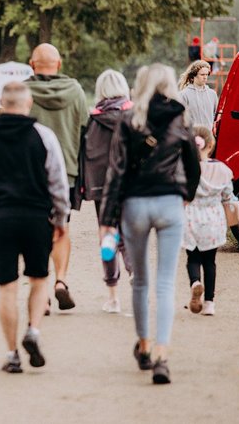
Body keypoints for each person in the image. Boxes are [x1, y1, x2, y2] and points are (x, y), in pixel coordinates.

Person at [100, 64, 201, 385]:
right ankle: (161, 355)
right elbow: (193, 164)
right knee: (166, 282)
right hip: (169, 202)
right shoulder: (180, 116)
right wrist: (186, 194)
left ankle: (143, 345)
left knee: (141, 280)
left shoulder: (129, 120)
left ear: (140, 85)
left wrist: (107, 219)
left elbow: (115, 171)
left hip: (135, 205)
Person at [0, 82, 69, 373]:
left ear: (1, 103)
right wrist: (60, 219)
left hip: (0, 218)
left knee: (7, 287)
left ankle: (12, 354)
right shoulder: (43, 136)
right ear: (29, 102)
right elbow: (58, 183)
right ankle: (33, 330)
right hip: (36, 219)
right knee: (38, 280)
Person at [24, 43, 88, 311]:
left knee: (35, 231)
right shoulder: (75, 91)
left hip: (31, 174)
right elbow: (86, 130)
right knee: (61, 228)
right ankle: (60, 281)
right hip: (67, 173)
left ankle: (42, 294)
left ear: (32, 64)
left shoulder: (24, 91)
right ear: (59, 64)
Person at [78, 69, 134, 314]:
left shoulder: (93, 120)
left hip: (102, 186)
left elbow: (86, 155)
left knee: (108, 235)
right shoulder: (135, 116)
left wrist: (86, 186)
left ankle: (113, 297)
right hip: (132, 184)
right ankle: (135, 271)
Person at [184, 125, 237, 317]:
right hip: (213, 219)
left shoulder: (188, 169)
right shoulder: (222, 170)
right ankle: (209, 304)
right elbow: (228, 196)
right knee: (210, 262)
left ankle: (195, 282)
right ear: (211, 144)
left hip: (192, 218)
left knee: (193, 258)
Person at [178, 60, 218, 129]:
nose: (205, 77)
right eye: (202, 74)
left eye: (206, 74)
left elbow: (215, 114)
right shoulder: (184, 94)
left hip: (209, 136)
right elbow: (180, 117)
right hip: (192, 136)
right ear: (194, 76)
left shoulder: (212, 94)